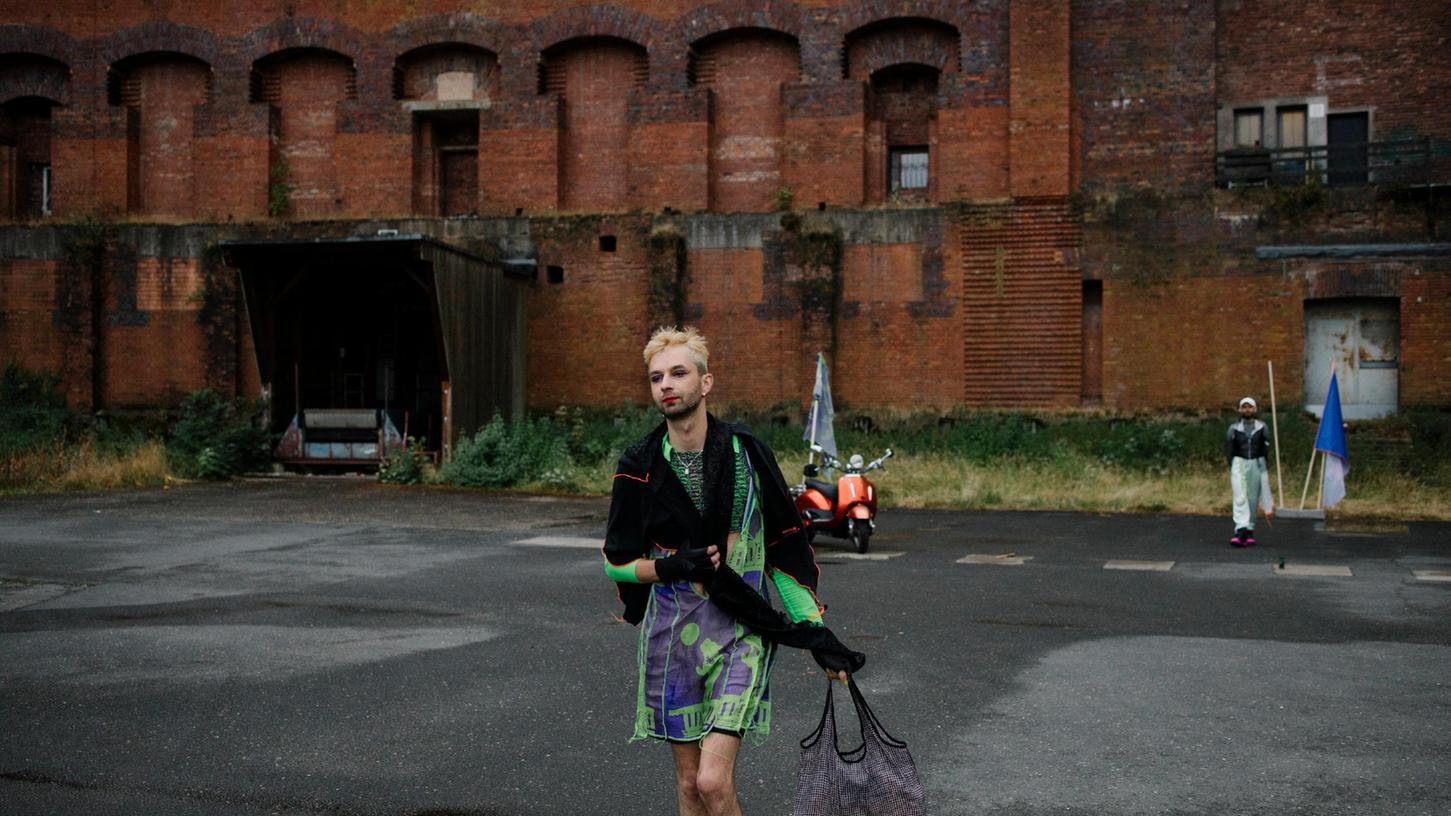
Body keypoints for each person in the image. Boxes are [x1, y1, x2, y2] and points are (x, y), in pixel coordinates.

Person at [603, 326, 848, 816]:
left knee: (714, 781)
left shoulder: (746, 453)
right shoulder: (640, 464)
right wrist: (669, 566)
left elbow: (783, 546)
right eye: (656, 378)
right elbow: (616, 563)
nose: (666, 385)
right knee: (690, 784)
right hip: (671, 638)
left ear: (706, 382)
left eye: (678, 372)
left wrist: (816, 634)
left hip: (743, 631)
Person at [1225, 396, 1274, 546]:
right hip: (1239, 462)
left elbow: (1266, 448)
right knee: (1240, 495)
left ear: (1255, 409)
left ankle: (1249, 529)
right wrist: (1231, 463)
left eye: (1250, 407)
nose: (1247, 410)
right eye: (1244, 407)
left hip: (1257, 463)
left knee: (1253, 497)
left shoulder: (1262, 427)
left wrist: (1265, 466)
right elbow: (1229, 449)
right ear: (1240, 409)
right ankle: (1240, 529)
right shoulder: (1233, 429)